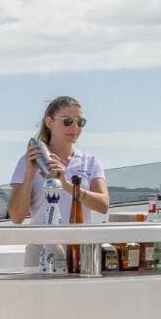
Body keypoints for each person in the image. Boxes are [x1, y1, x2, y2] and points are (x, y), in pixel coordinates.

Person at [9, 95, 110, 225]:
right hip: (43, 238)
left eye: (80, 122)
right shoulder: (28, 161)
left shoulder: (90, 162)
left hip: (79, 238)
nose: (75, 127)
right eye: (67, 121)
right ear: (49, 122)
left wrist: (66, 185)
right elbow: (16, 218)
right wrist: (29, 174)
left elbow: (103, 206)